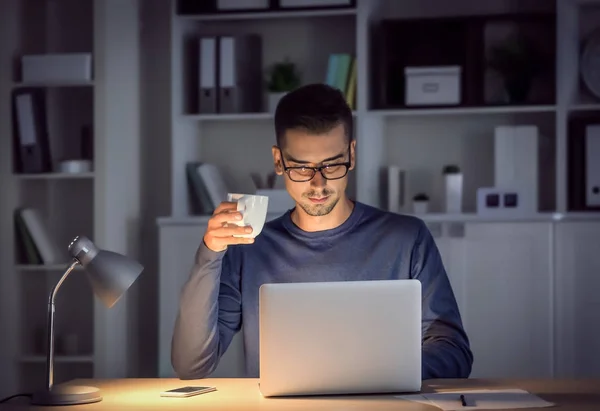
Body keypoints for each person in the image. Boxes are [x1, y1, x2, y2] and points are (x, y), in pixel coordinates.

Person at [171, 83, 473, 381]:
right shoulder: (248, 246)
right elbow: (191, 365)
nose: (318, 184)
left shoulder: (407, 238)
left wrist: (387, 371)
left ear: (351, 155)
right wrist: (210, 253)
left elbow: (454, 352)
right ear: (279, 161)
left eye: (331, 165)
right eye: (302, 168)